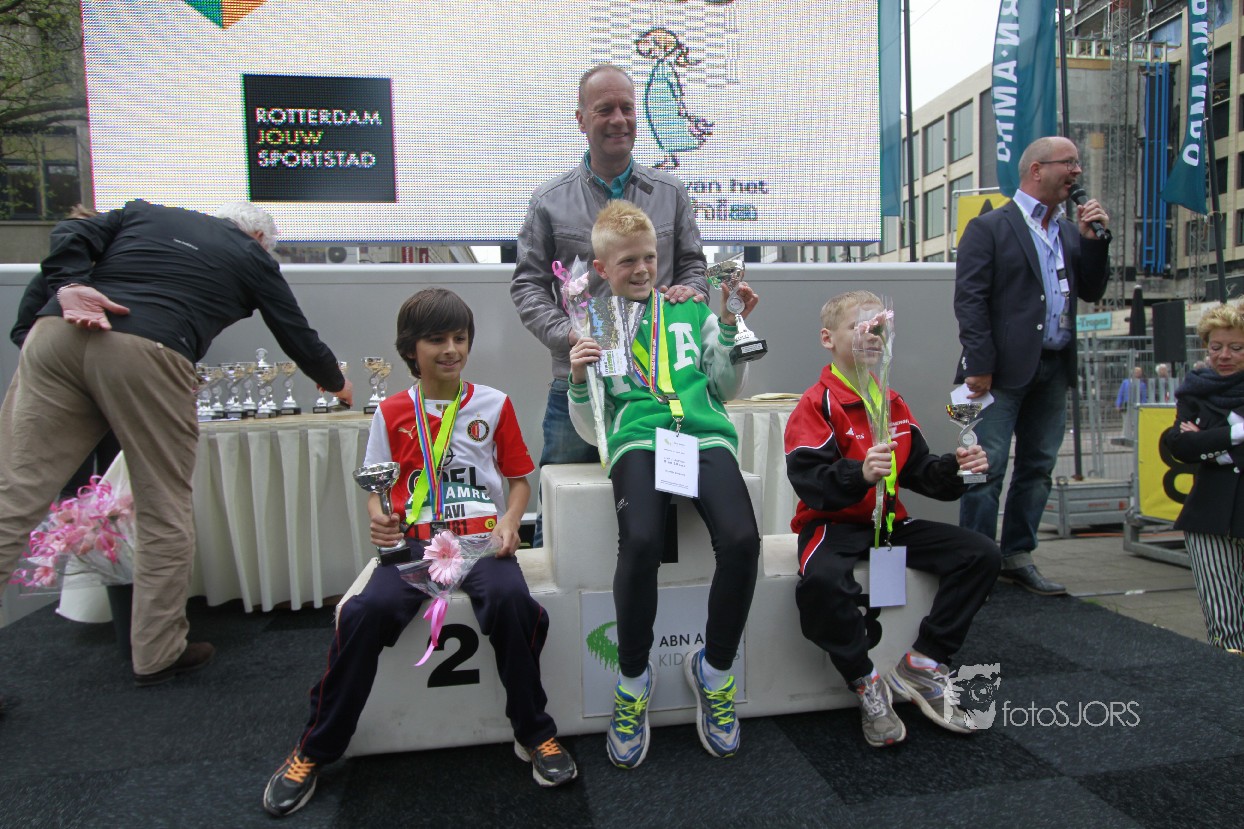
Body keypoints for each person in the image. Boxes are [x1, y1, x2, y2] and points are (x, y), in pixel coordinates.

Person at [0, 199, 353, 687]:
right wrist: (336, 382)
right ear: (259, 240)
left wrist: (69, 286)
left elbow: (69, 232)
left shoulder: (140, 213)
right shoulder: (252, 257)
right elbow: (295, 332)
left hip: (56, 333)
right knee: (162, 503)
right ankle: (157, 651)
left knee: (13, 497)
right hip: (149, 347)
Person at [264, 288, 575, 818]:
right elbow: (377, 487)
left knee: (513, 605)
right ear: (411, 349)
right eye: (436, 340)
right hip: (417, 543)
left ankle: (534, 732)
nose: (451, 349)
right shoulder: (391, 411)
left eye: (460, 338)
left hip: (480, 540)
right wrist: (378, 515)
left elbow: (519, 480)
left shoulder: (493, 404)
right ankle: (316, 748)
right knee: (365, 612)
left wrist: (508, 521)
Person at [567, 201, 759, 768]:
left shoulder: (687, 307)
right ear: (602, 268)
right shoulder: (596, 322)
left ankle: (714, 670)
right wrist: (578, 378)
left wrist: (729, 326)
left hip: (703, 435)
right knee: (642, 541)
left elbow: (725, 387)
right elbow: (593, 426)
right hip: (639, 441)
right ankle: (633, 678)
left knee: (742, 541)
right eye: (628, 261)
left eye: (649, 257)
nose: (643, 269)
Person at [784, 290, 1000, 747]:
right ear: (827, 338)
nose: (872, 336)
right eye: (858, 327)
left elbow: (920, 470)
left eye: (878, 328)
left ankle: (924, 661)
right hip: (832, 523)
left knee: (980, 554)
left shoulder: (892, 401)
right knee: (822, 584)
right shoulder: (817, 403)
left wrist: (958, 469)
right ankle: (865, 681)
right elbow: (808, 480)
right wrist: (857, 474)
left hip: (888, 524)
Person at [510, 63, 708, 547]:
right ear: (581, 119)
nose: (619, 119)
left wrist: (692, 293)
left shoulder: (671, 193)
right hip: (580, 384)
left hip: (657, 389)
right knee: (563, 516)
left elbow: (694, 268)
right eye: (605, 110)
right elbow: (528, 286)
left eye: (627, 108)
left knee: (665, 521)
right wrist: (571, 336)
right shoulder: (549, 201)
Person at [954, 136, 1110, 596]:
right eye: (1069, 163)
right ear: (1036, 170)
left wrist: (1095, 243)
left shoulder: (1070, 231)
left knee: (1038, 466)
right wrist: (979, 364)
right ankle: (976, 561)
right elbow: (970, 300)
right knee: (983, 467)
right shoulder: (990, 227)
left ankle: (1017, 555)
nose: (1077, 172)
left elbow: (1092, 291)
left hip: (1054, 367)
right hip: (995, 375)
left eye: (1078, 164)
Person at [10, 205, 120, 498]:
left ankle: (113, 526)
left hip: (111, 390)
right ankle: (71, 526)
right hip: (67, 394)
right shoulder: (46, 280)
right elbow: (21, 330)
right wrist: (57, 356)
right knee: (72, 478)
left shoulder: (119, 277)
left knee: (115, 476)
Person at [1160, 302, 1244, 652]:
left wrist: (1208, 442)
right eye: (1216, 347)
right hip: (1207, 518)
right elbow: (1180, 446)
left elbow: (1196, 444)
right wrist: (1235, 434)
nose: (1224, 356)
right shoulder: (1193, 391)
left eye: (1236, 347)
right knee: (1224, 628)